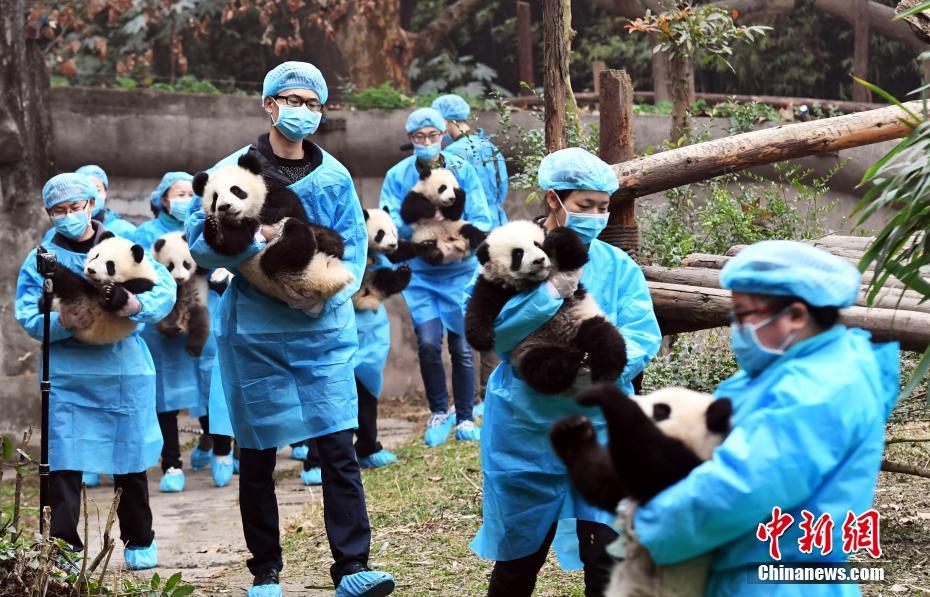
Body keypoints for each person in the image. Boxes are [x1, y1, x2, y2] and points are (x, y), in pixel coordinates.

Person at [185, 61, 394, 597]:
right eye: (292, 100)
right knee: (258, 455)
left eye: (312, 103)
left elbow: (354, 246)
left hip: (321, 332)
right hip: (255, 335)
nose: (302, 111)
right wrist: (249, 246)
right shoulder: (232, 169)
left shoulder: (335, 176)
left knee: (338, 448)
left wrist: (326, 295)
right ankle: (265, 568)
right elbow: (199, 241)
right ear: (269, 104)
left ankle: (352, 565)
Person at [632, 240, 900, 596]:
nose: (736, 327)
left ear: (796, 316)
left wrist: (647, 527)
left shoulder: (821, 388)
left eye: (744, 314)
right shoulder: (791, 368)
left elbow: (742, 485)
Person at [465, 147, 662, 596]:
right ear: (554, 199)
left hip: (601, 428)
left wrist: (600, 369)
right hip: (526, 427)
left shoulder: (618, 266)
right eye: (585, 205)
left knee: (608, 557)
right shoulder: (511, 252)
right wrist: (550, 293)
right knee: (518, 560)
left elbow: (641, 334)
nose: (596, 217)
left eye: (603, 207)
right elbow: (491, 332)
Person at [14, 173, 176, 570]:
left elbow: (164, 288)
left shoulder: (122, 243)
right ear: (48, 212)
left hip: (122, 371)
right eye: (60, 210)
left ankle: (139, 539)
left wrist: (134, 305)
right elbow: (27, 314)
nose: (69, 215)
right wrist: (62, 322)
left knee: (130, 460)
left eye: (76, 206)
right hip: (68, 378)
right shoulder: (42, 260)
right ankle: (63, 549)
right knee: (63, 465)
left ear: (91, 205)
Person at [379, 107, 492, 447]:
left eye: (432, 135)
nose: (426, 142)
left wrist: (460, 243)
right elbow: (387, 220)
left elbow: (481, 218)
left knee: (461, 345)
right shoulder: (398, 175)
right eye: (419, 136)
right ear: (409, 137)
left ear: (443, 135)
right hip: (422, 274)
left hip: (459, 271)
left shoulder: (463, 170)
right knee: (428, 343)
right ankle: (439, 411)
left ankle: (465, 416)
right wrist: (419, 222)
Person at [134, 171, 235, 491]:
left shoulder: (209, 224)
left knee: (211, 386)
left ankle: (222, 450)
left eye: (191, 194)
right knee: (166, 394)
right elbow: (136, 272)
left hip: (206, 315)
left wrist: (223, 272)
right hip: (164, 325)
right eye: (178, 194)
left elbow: (233, 258)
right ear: (162, 200)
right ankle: (172, 464)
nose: (186, 200)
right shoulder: (146, 234)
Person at [431, 93, 509, 416]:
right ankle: (490, 391)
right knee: (493, 309)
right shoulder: (491, 149)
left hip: (467, 239)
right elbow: (502, 191)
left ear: (447, 122)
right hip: (498, 234)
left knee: (466, 313)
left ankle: (471, 399)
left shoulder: (451, 156)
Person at [301, 251, 404, 485]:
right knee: (325, 397)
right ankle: (315, 460)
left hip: (369, 331)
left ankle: (367, 446)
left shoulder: (377, 258)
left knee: (366, 394)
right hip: (330, 323)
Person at [42, 165, 137, 244]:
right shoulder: (51, 236)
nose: (92, 194)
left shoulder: (124, 231)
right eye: (60, 211)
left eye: (97, 189)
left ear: (91, 202)